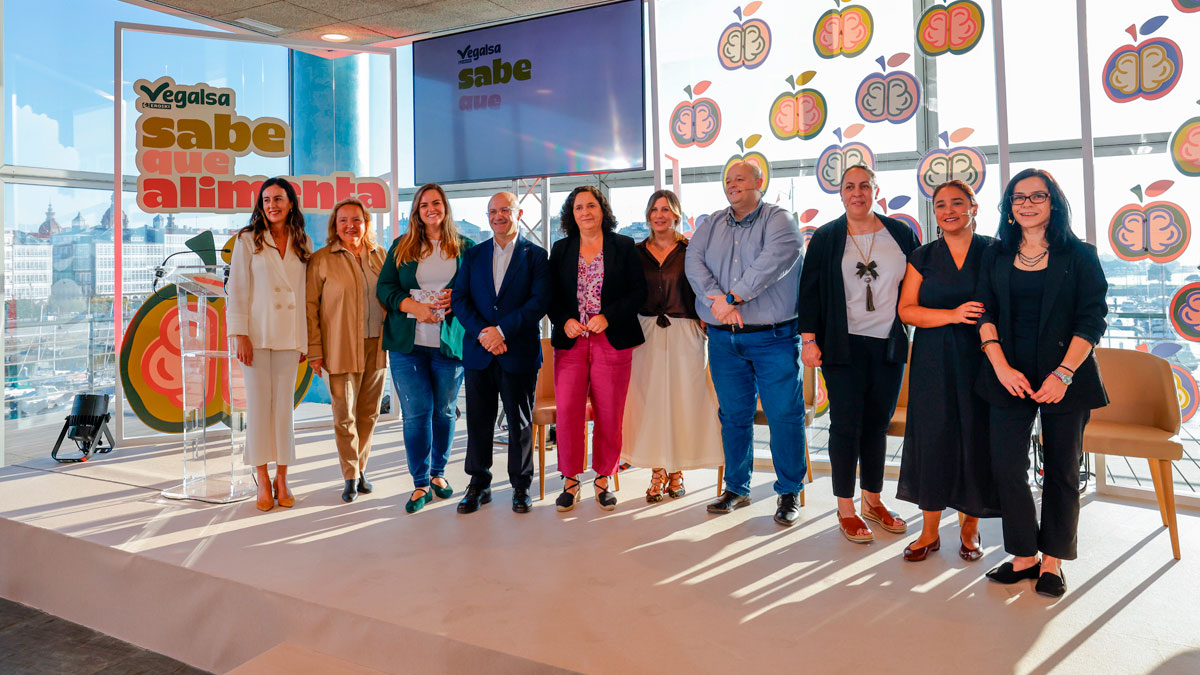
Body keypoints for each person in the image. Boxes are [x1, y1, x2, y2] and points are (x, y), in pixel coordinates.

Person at [975, 168, 1108, 598]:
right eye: (1018, 198)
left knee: (1063, 470)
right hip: (1007, 374)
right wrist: (999, 366)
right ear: (1009, 208)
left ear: (1054, 203)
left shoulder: (1080, 254)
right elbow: (985, 314)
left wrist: (1064, 373)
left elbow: (1093, 319)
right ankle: (1023, 556)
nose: (1027, 203)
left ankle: (1052, 560)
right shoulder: (995, 254)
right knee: (1006, 466)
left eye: (1037, 196)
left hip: (1065, 376)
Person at [798, 165, 920, 542]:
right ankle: (846, 506)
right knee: (846, 426)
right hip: (841, 345)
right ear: (841, 194)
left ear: (876, 190)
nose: (857, 192)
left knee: (877, 426)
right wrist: (808, 340)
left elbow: (921, 281)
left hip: (888, 343)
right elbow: (810, 291)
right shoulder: (827, 237)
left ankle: (873, 500)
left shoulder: (901, 234)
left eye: (864, 186)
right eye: (849, 186)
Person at [685, 160, 807, 527]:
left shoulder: (780, 221)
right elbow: (694, 263)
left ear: (759, 182)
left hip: (774, 338)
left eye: (740, 178)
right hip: (724, 340)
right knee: (733, 416)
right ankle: (737, 487)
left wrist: (732, 298)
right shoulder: (711, 223)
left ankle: (789, 491)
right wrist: (717, 302)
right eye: (727, 179)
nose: (732, 184)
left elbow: (771, 265)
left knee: (784, 416)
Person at [895, 180, 1000, 561]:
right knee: (933, 441)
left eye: (958, 202)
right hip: (933, 360)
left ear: (974, 206)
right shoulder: (922, 256)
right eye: (941, 204)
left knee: (976, 439)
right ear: (935, 212)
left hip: (984, 358)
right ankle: (929, 532)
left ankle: (970, 530)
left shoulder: (995, 251)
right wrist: (953, 315)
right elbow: (907, 310)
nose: (949, 210)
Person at [377, 183, 475, 514]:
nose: (430, 209)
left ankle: (438, 475)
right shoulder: (401, 247)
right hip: (408, 345)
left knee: (445, 411)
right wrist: (411, 306)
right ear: (416, 212)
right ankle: (420, 482)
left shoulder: (466, 248)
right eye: (423, 205)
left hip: (449, 345)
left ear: (445, 207)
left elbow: (479, 293)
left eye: (436, 203)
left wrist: (457, 299)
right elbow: (385, 288)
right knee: (417, 412)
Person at [548, 186, 646, 512]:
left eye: (591, 205)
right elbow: (551, 297)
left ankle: (604, 477)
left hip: (612, 339)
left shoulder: (623, 246)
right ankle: (570, 480)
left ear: (602, 210)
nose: (585, 212)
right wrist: (564, 321)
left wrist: (609, 316)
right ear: (570, 214)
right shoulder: (561, 249)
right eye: (578, 207)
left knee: (609, 413)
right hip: (572, 341)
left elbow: (638, 293)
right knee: (568, 412)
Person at [451, 192, 550, 514]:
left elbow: (539, 302)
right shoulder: (474, 255)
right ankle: (478, 484)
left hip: (517, 350)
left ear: (518, 212)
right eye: (492, 211)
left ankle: (521, 487)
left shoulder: (535, 255)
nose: (498, 216)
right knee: (479, 421)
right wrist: (484, 333)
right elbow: (460, 300)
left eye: (504, 210)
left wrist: (502, 331)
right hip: (480, 351)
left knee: (520, 423)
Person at [622, 189, 722, 502]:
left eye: (666, 209)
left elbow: (706, 289)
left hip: (686, 330)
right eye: (655, 209)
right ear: (648, 215)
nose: (660, 215)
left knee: (683, 400)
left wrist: (707, 319)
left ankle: (677, 470)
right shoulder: (635, 253)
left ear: (676, 214)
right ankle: (656, 470)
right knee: (650, 402)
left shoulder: (692, 250)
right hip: (646, 331)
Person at [226, 177, 312, 512]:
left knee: (283, 412)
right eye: (266, 200)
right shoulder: (248, 239)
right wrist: (240, 335)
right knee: (259, 409)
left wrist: (304, 339)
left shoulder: (302, 241)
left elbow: (304, 296)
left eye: (278, 198)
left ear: (290, 202)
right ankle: (261, 478)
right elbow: (238, 290)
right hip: (257, 336)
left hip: (290, 336)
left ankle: (283, 477)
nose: (272, 205)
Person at [306, 198, 388, 504]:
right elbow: (309, 308)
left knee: (370, 413)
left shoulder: (380, 256)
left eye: (356, 219)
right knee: (344, 416)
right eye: (343, 220)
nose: (350, 225)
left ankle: (360, 468)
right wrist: (315, 350)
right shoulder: (322, 259)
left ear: (366, 222)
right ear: (335, 225)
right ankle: (351, 475)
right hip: (339, 347)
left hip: (377, 345)